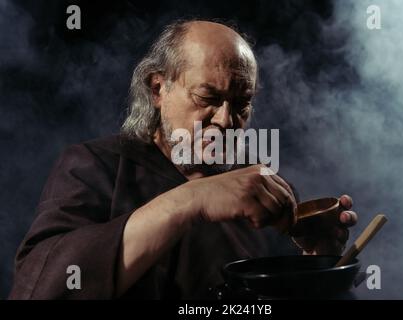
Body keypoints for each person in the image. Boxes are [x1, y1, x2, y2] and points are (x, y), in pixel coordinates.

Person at [9, 20, 358, 299]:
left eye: (241, 104)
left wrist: (321, 269)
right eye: (208, 96)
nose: (225, 120)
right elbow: (41, 284)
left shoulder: (260, 189)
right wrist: (193, 199)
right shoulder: (93, 167)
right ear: (158, 89)